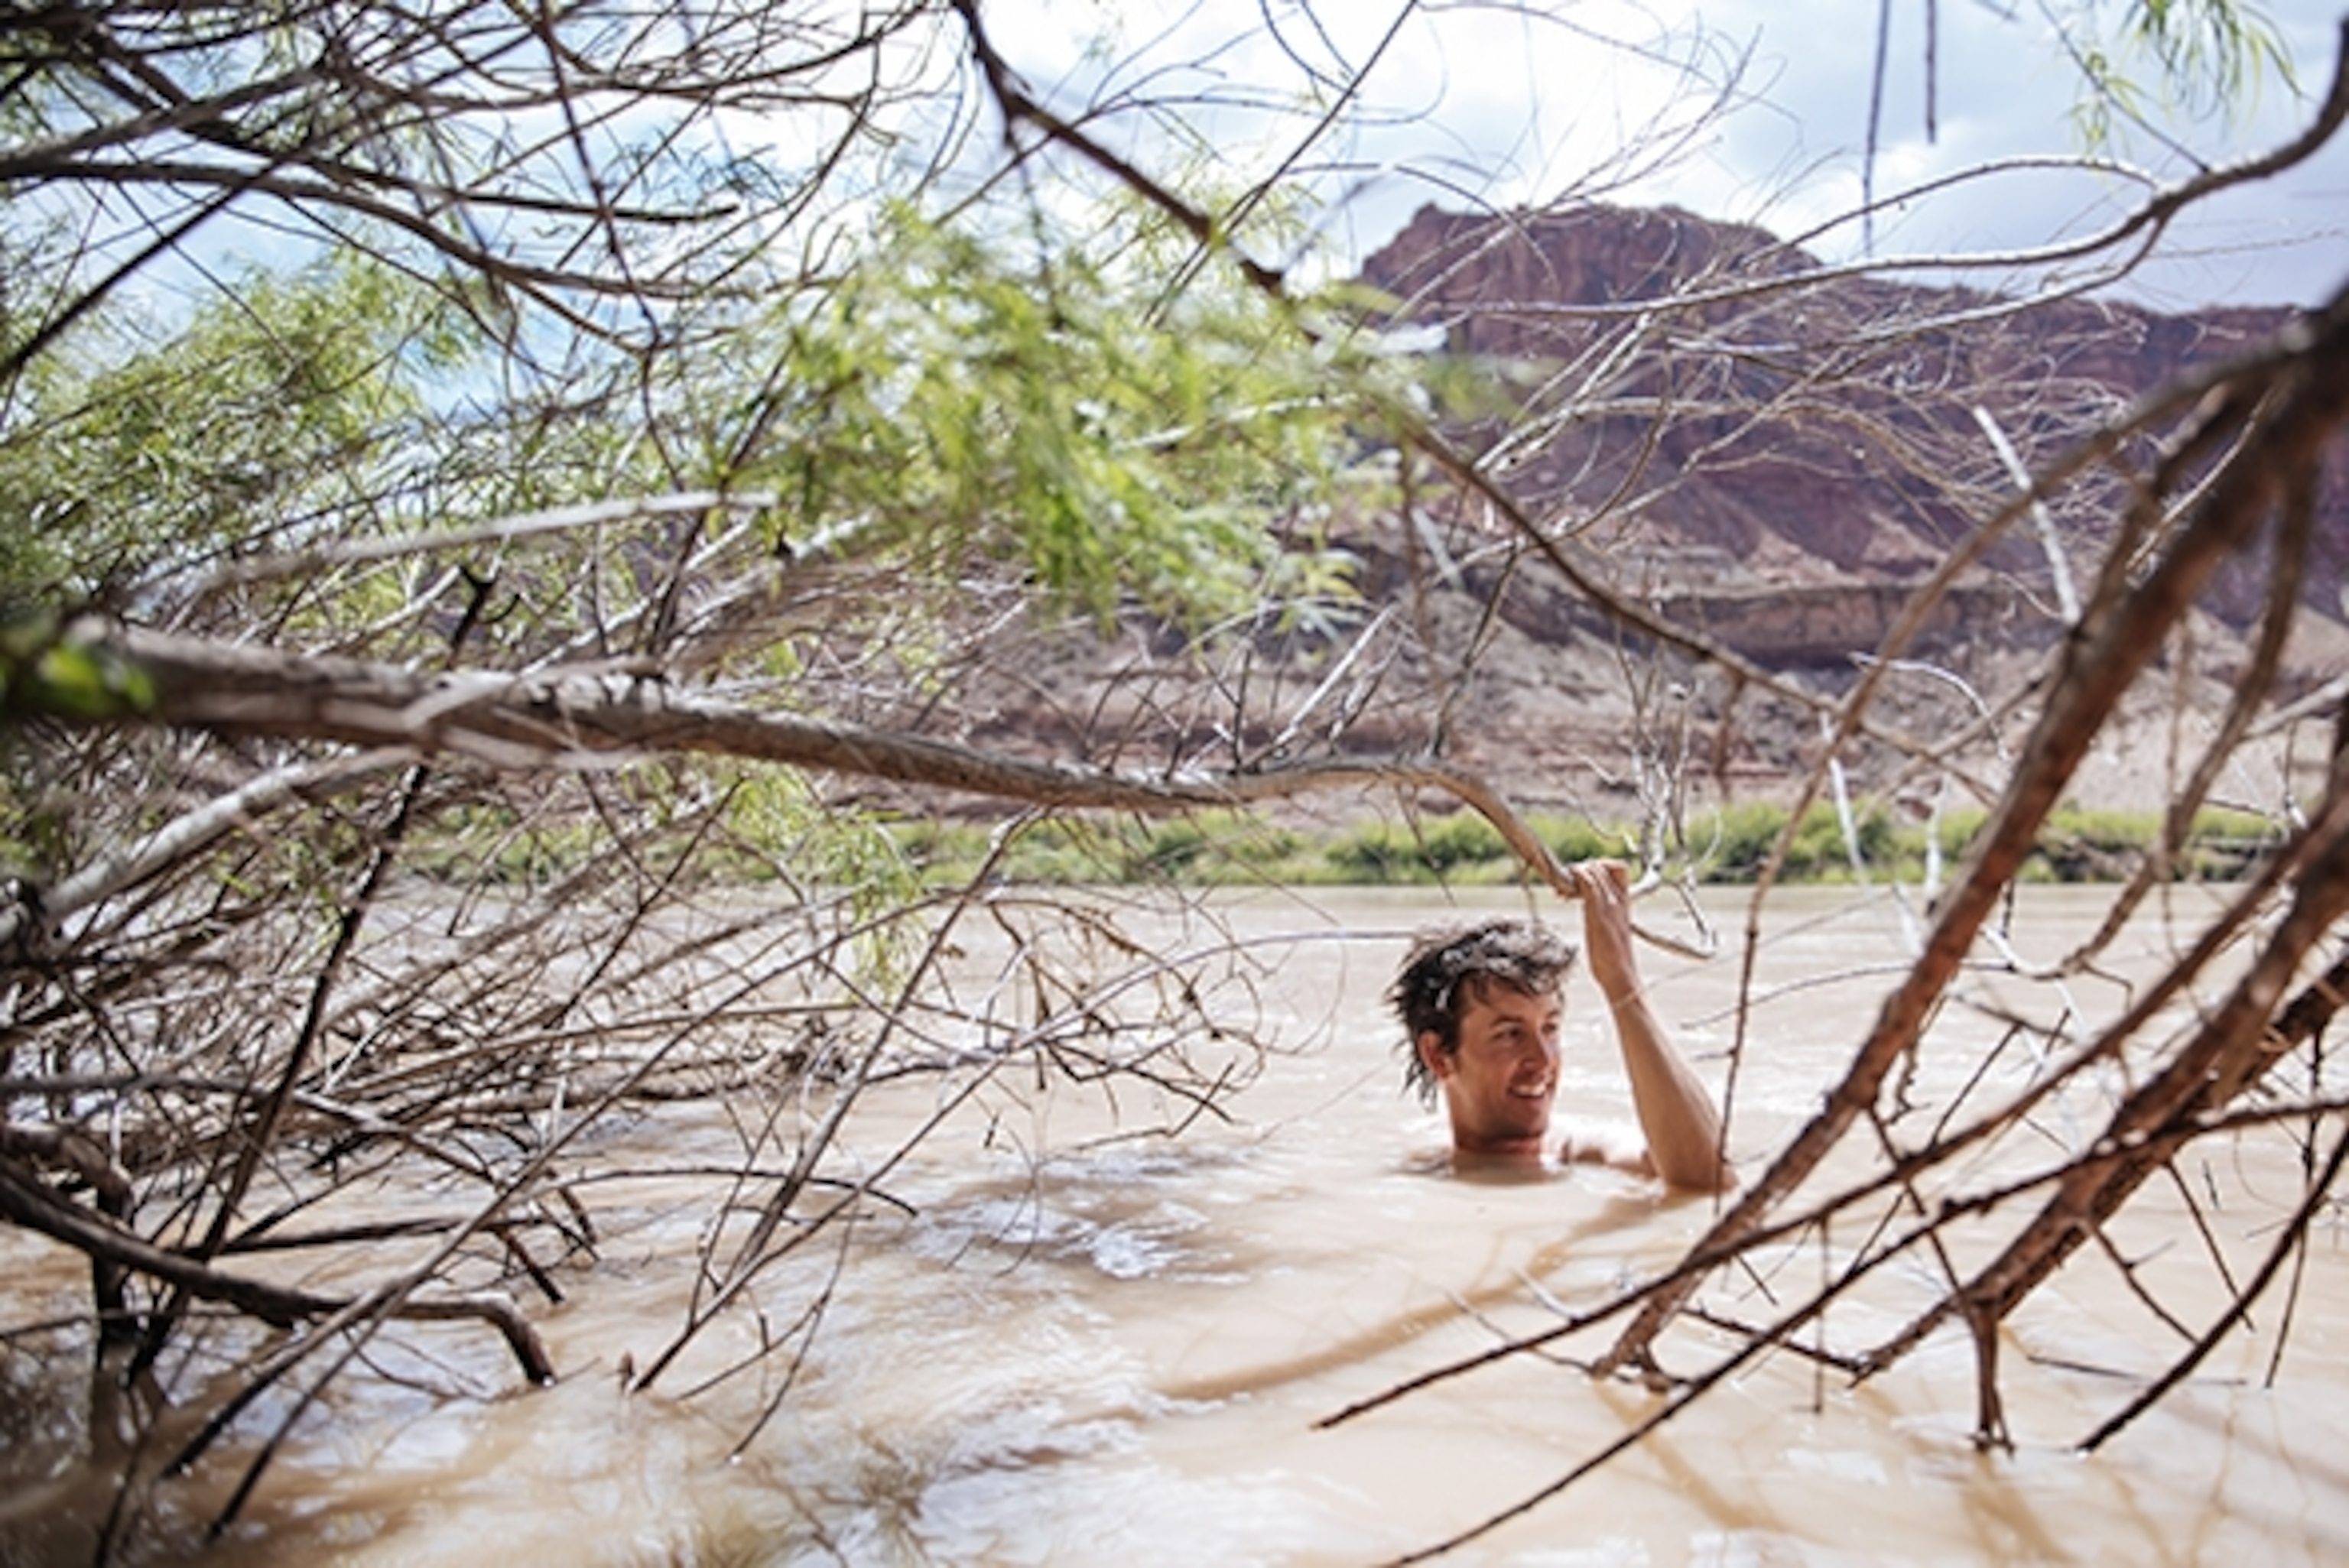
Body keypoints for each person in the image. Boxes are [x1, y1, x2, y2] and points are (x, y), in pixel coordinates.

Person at [1386, 859, 1733, 1191]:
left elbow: (1708, 1181)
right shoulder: (1415, 1157)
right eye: (1510, 1034)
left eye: (1550, 1028)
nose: (1543, 1059)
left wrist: (1621, 983)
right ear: (1438, 1055)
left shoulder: (1582, 1151)